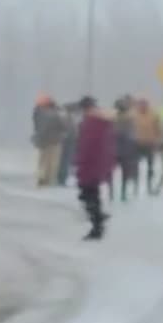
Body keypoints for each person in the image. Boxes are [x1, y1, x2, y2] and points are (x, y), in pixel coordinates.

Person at [74, 97, 115, 241]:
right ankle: (98, 221)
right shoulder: (101, 123)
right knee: (91, 194)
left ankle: (97, 226)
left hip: (90, 165)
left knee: (88, 195)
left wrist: (79, 162)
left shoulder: (91, 123)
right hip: (97, 165)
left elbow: (87, 146)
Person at [32, 96, 67, 187]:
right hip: (54, 141)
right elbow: (63, 126)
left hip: (42, 141)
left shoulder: (38, 113)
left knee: (42, 161)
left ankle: (41, 176)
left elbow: (36, 126)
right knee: (53, 162)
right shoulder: (56, 114)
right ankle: (49, 179)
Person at [130, 98, 161, 196]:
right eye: (141, 104)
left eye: (144, 104)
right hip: (137, 144)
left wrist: (157, 141)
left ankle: (149, 187)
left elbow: (158, 129)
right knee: (135, 167)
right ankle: (136, 187)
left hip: (149, 144)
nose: (143, 106)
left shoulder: (154, 115)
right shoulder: (133, 115)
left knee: (150, 167)